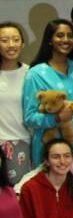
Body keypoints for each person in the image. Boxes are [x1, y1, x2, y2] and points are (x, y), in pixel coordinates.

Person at [23, 19, 73, 165]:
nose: (66, 40)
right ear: (50, 40)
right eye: (60, 35)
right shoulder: (35, 74)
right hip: (51, 147)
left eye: (70, 36)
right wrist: (57, 118)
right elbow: (30, 117)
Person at [0, 21, 31, 183]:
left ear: (22, 43)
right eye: (4, 40)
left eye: (15, 39)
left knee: (18, 195)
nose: (11, 45)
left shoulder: (30, 73)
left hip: (22, 143)